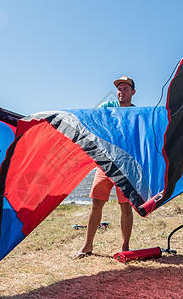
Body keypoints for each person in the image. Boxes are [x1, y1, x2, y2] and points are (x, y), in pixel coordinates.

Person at [73, 76, 136, 259]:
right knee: (96, 202)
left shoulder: (137, 113)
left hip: (126, 165)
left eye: (125, 88)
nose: (121, 91)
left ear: (133, 92)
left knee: (126, 206)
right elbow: (93, 121)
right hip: (106, 162)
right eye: (119, 88)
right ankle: (87, 246)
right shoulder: (107, 107)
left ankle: (125, 247)